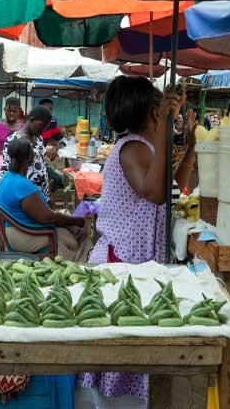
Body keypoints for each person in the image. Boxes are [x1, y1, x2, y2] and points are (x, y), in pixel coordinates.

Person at [81, 76, 196, 400]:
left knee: (131, 353)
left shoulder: (147, 148)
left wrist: (190, 149)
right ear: (153, 113)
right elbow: (156, 192)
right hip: (122, 264)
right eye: (161, 111)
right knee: (121, 355)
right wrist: (165, 134)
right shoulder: (131, 147)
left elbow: (171, 189)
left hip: (136, 263)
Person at [0, 138, 91, 260]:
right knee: (73, 234)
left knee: (66, 217)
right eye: (32, 150)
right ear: (30, 158)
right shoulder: (22, 186)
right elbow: (49, 218)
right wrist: (77, 221)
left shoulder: (7, 177)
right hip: (24, 236)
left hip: (16, 230)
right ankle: (76, 262)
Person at [0, 106, 53, 196]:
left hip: (41, 191)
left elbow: (42, 165)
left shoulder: (39, 138)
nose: (43, 130)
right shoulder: (13, 140)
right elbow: (5, 168)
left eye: (46, 127)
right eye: (42, 125)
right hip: (24, 193)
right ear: (32, 120)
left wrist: (47, 190)